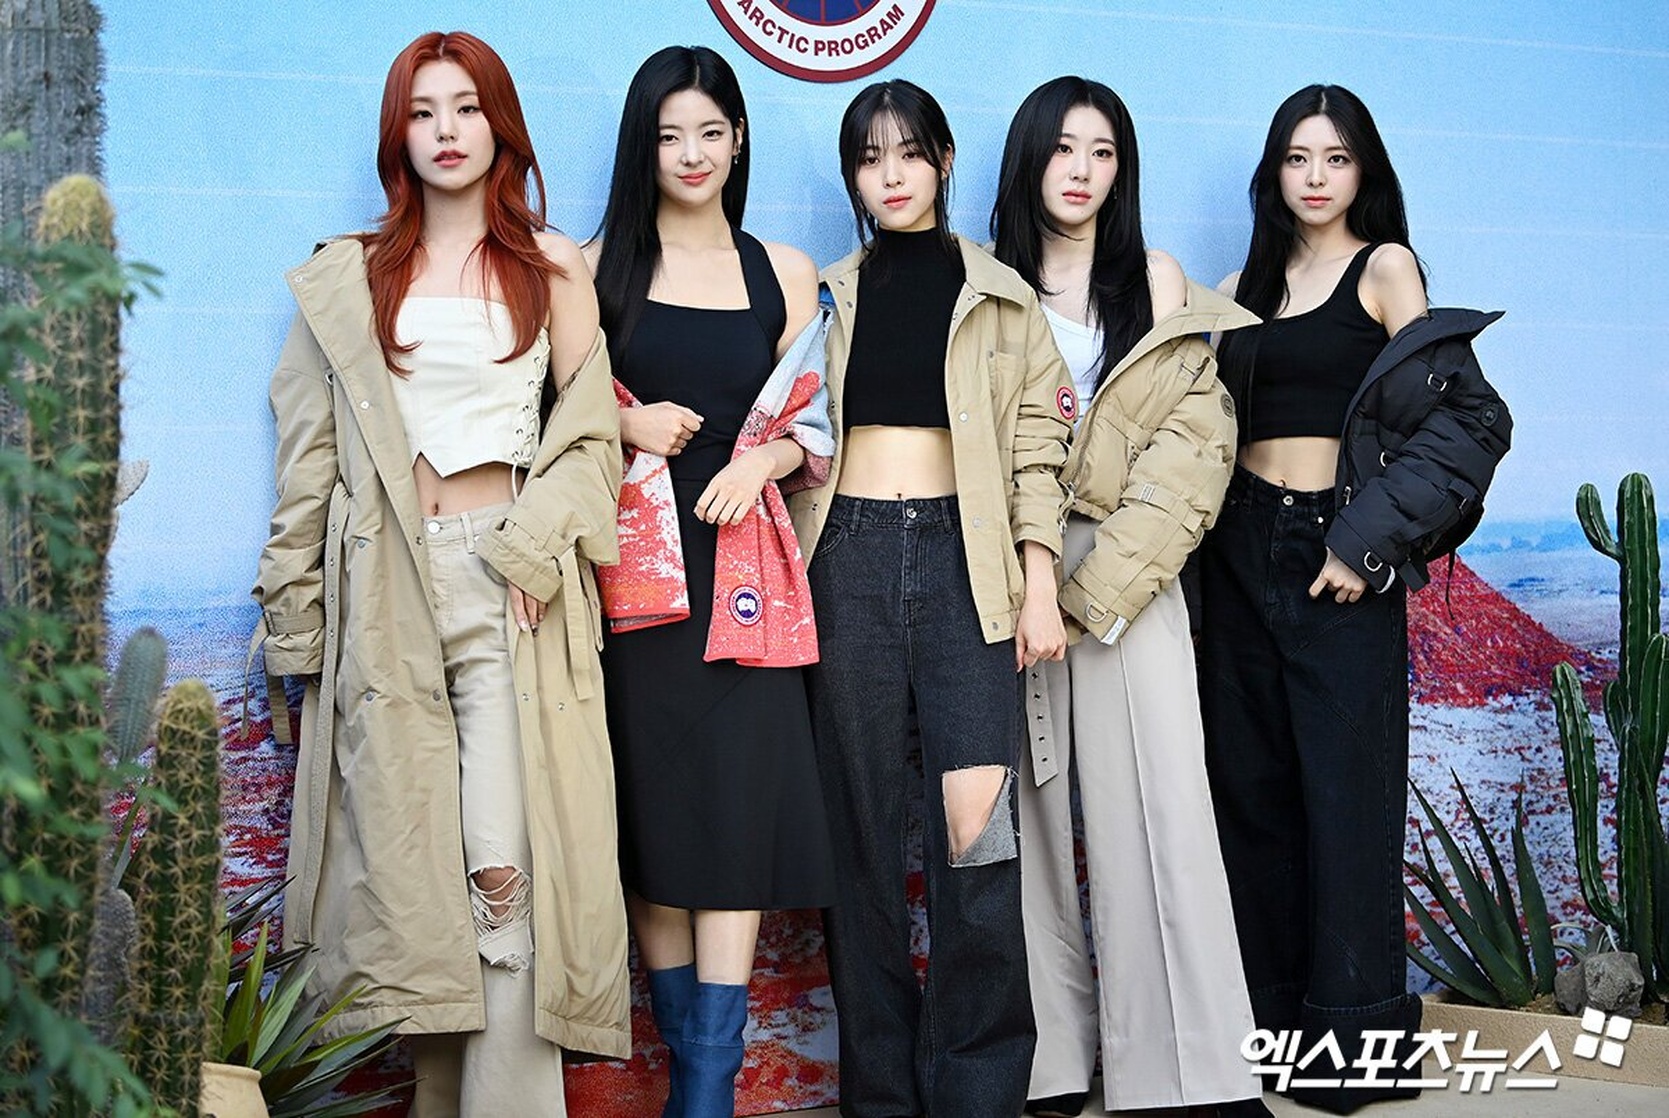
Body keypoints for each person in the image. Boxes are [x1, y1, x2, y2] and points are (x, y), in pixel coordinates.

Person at [251, 30, 631, 1118]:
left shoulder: (551, 265)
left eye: (466, 108)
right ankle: (437, 1099)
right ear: (398, 134)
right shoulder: (348, 275)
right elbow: (306, 464)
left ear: (499, 124)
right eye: (423, 112)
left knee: (502, 865)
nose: (446, 132)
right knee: (411, 877)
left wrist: (534, 545)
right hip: (383, 585)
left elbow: (591, 439)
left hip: (508, 579)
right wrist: (294, 629)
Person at [1201, 84, 1511, 1114]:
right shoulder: (1234, 289)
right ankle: (1269, 1038)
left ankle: (1352, 1053)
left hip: (1331, 550)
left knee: (1346, 801)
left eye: (1335, 158)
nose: (1316, 177)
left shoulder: (1385, 268)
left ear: (1363, 170)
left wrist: (1362, 540)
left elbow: (1461, 422)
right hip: (1234, 549)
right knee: (1250, 800)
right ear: (1273, 172)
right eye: (1297, 157)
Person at [791, 78, 1073, 1118]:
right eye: (870, 158)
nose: (891, 175)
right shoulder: (826, 295)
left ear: (945, 160)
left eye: (909, 152)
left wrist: (1037, 583)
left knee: (977, 837)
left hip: (968, 566)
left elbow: (1037, 449)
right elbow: (789, 426)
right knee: (859, 841)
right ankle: (879, 1096)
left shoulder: (1001, 296)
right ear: (852, 176)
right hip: (847, 560)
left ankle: (977, 1092)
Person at [990, 75, 1270, 1118]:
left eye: (1102, 151)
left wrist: (1091, 589)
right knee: (1025, 815)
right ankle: (1049, 1061)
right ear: (1028, 157)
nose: (1080, 170)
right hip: (1009, 566)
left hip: (1131, 570)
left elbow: (1195, 441)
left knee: (1161, 807)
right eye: (1063, 147)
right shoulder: (984, 283)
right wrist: (1031, 578)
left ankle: (1191, 1069)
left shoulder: (1152, 277)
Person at [586, 45, 836, 1118]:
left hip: (748, 582)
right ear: (642, 147)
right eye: (668, 135)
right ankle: (692, 1072)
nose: (691, 153)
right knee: (654, 828)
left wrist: (762, 459)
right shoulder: (592, 267)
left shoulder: (782, 270)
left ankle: (704, 1092)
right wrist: (624, 422)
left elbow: (818, 420)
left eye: (710, 132)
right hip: (633, 588)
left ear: (738, 140)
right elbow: (546, 415)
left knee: (733, 824)